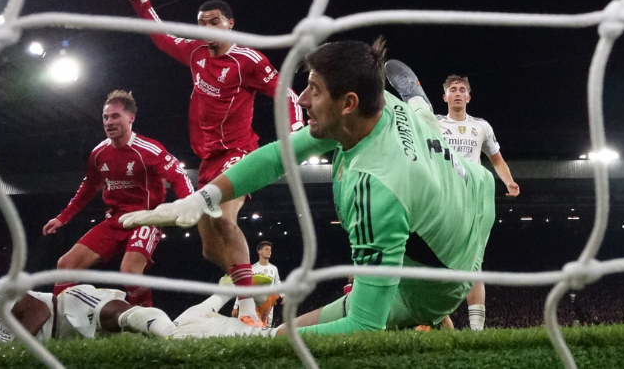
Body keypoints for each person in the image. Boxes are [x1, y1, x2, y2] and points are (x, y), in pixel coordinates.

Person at [121, 38, 496, 336]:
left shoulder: (375, 189)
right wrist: (202, 197)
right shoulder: (379, 104)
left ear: (348, 103)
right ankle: (421, 107)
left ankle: (423, 110)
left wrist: (268, 339)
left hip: (438, 287)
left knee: (288, 336)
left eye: (313, 89)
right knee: (423, 123)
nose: (301, 99)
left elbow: (364, 327)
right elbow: (276, 156)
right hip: (478, 191)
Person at [122, 0, 304, 323]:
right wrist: (141, 1)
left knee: (223, 217)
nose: (207, 29)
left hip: (239, 152)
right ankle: (247, 283)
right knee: (208, 248)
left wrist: (296, 131)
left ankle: (248, 308)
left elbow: (285, 93)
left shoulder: (248, 60)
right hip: (207, 159)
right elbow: (161, 37)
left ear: (230, 25)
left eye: (214, 22)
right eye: (202, 24)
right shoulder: (195, 52)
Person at [42, 90, 194, 308]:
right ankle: (58, 325)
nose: (109, 122)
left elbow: (178, 176)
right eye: (105, 117)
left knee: (129, 272)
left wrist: (189, 204)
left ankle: (145, 325)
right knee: (66, 265)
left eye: (115, 116)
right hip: (115, 221)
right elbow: (89, 187)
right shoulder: (98, 153)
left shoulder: (148, 149)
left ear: (131, 118)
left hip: (146, 219)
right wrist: (63, 217)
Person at [435, 74, 519, 330]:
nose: (458, 93)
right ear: (445, 97)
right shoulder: (433, 123)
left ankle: (476, 330)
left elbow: (496, 159)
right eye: (453, 89)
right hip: (442, 196)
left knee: (474, 263)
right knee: (438, 262)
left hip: (472, 198)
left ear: (469, 97)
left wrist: (509, 181)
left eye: (462, 90)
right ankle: (440, 321)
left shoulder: (482, 126)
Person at [0, 277, 174, 341]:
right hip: (56, 348)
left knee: (120, 316)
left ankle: (175, 336)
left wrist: (13, 357)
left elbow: (37, 310)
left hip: (63, 311)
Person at [231, 240, 280, 326]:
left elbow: (277, 284)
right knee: (253, 326)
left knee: (267, 327)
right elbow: (243, 288)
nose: (269, 251)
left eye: (270, 249)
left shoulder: (274, 269)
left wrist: (283, 296)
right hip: (254, 303)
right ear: (259, 251)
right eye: (266, 249)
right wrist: (236, 306)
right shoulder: (252, 269)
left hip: (267, 304)